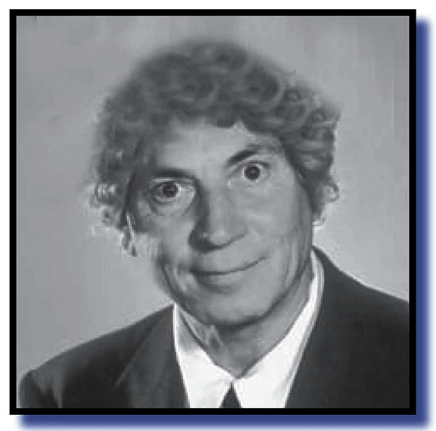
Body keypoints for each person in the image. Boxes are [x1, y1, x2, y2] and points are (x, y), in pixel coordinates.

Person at [19, 40, 409, 409]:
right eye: (170, 190)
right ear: (127, 224)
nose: (218, 230)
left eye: (252, 173)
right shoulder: (62, 397)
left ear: (314, 190)